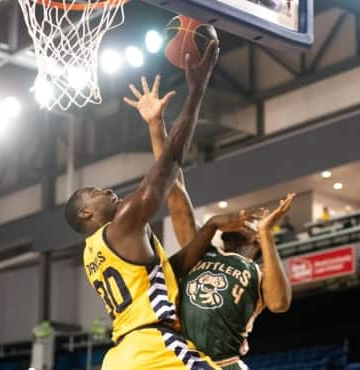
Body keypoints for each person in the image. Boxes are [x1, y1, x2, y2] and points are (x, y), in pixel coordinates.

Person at [65, 41, 227, 369]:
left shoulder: (94, 251)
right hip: (153, 348)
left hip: (122, 356)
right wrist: (196, 89)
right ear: (85, 213)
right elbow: (168, 167)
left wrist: (209, 228)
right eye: (95, 191)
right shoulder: (122, 225)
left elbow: (170, 270)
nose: (108, 190)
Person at [125, 75, 293, 370]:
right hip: (183, 363)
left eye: (252, 223)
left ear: (255, 241)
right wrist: (155, 125)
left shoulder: (257, 272)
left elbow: (279, 304)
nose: (244, 219)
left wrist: (267, 233)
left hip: (224, 364)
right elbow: (174, 190)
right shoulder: (202, 251)